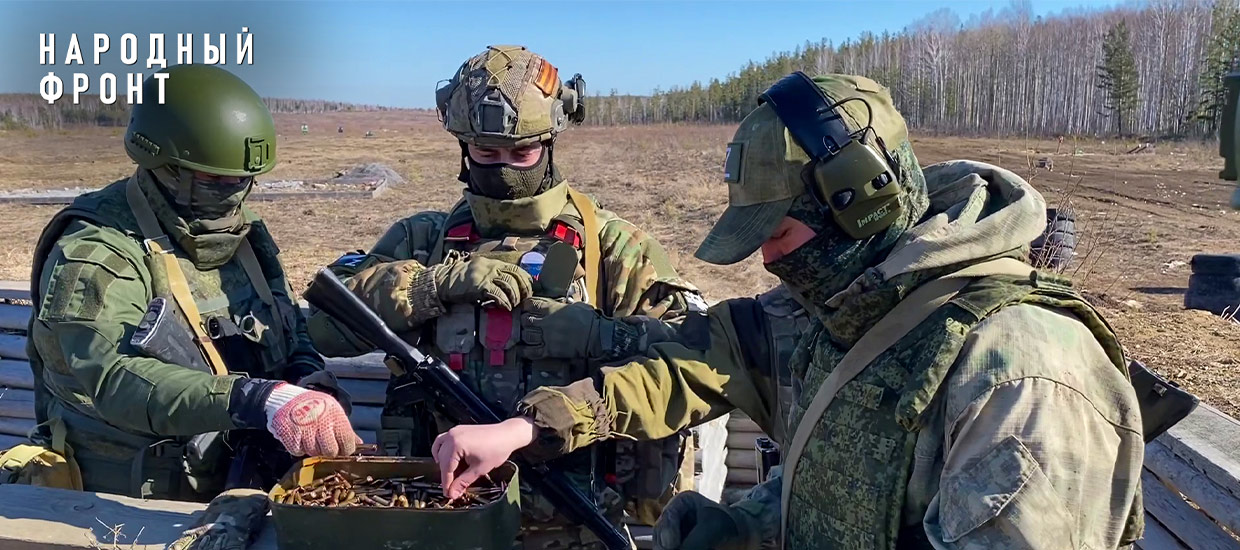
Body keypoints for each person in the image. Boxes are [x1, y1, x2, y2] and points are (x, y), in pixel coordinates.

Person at [431, 72, 1145, 549]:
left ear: (858, 203)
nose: (769, 261)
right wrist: (532, 426)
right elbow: (694, 366)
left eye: (778, 232)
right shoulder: (843, 310)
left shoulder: (1021, 373)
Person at [306, 45, 704, 547]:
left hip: (575, 520)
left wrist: (600, 335)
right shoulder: (424, 241)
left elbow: (692, 359)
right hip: (443, 512)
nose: (504, 169)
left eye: (522, 153)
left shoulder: (611, 246)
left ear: (552, 142)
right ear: (463, 148)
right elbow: (325, 326)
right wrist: (432, 285)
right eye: (486, 153)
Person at [26, 65, 359, 502]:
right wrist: (256, 399)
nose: (232, 194)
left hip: (240, 478)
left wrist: (305, 381)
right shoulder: (98, 250)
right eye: (213, 180)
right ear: (161, 163)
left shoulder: (245, 237)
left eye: (242, 182)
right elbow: (111, 378)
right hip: (123, 502)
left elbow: (285, 325)